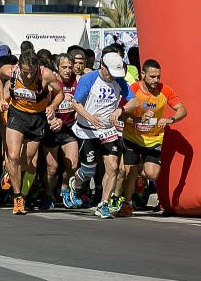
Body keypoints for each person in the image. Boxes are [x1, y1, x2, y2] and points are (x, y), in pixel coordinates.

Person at [0, 50, 63, 215]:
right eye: (25, 72)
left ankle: (10, 175)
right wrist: (1, 98)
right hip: (17, 115)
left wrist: (52, 107)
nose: (27, 76)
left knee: (26, 161)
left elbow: (60, 93)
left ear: (37, 68)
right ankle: (18, 197)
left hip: (37, 118)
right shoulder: (10, 71)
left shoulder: (46, 75)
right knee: (13, 156)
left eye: (31, 73)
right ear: (19, 66)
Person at [118, 59, 186, 217]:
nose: (156, 80)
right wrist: (139, 118)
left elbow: (182, 109)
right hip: (132, 137)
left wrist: (171, 119)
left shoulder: (165, 90)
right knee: (129, 171)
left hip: (153, 139)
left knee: (152, 174)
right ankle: (128, 204)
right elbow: (121, 115)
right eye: (152, 77)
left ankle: (141, 174)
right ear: (143, 75)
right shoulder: (133, 90)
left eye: (158, 77)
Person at [69, 51, 133, 219]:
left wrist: (121, 109)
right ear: (102, 67)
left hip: (107, 129)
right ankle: (75, 184)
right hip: (87, 129)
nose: (113, 77)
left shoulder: (119, 81)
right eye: (111, 73)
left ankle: (103, 204)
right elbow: (75, 103)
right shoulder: (88, 79)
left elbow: (134, 100)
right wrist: (89, 117)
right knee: (88, 171)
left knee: (113, 167)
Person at [47, 53, 82, 209]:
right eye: (64, 67)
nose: (68, 70)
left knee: (73, 164)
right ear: (57, 68)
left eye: (70, 67)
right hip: (51, 129)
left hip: (69, 128)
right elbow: (42, 107)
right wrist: (52, 120)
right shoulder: (51, 83)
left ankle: (65, 188)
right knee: (52, 168)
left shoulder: (79, 81)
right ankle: (48, 194)